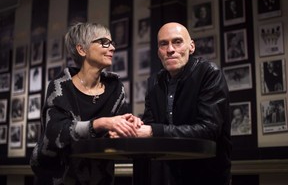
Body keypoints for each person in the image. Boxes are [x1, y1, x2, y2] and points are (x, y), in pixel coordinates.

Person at [30, 22, 142, 185]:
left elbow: (115, 130)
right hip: (59, 178)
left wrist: (129, 123)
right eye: (104, 42)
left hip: (100, 179)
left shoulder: (115, 87)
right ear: (81, 49)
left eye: (112, 43)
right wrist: (100, 124)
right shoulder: (61, 86)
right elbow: (55, 133)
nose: (112, 48)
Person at [135, 22, 232, 185]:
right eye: (163, 44)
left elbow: (209, 129)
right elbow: (150, 124)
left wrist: (153, 131)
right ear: (158, 52)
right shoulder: (154, 82)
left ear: (191, 47)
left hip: (207, 176)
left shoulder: (209, 74)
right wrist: (133, 127)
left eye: (177, 42)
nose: (170, 49)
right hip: (168, 175)